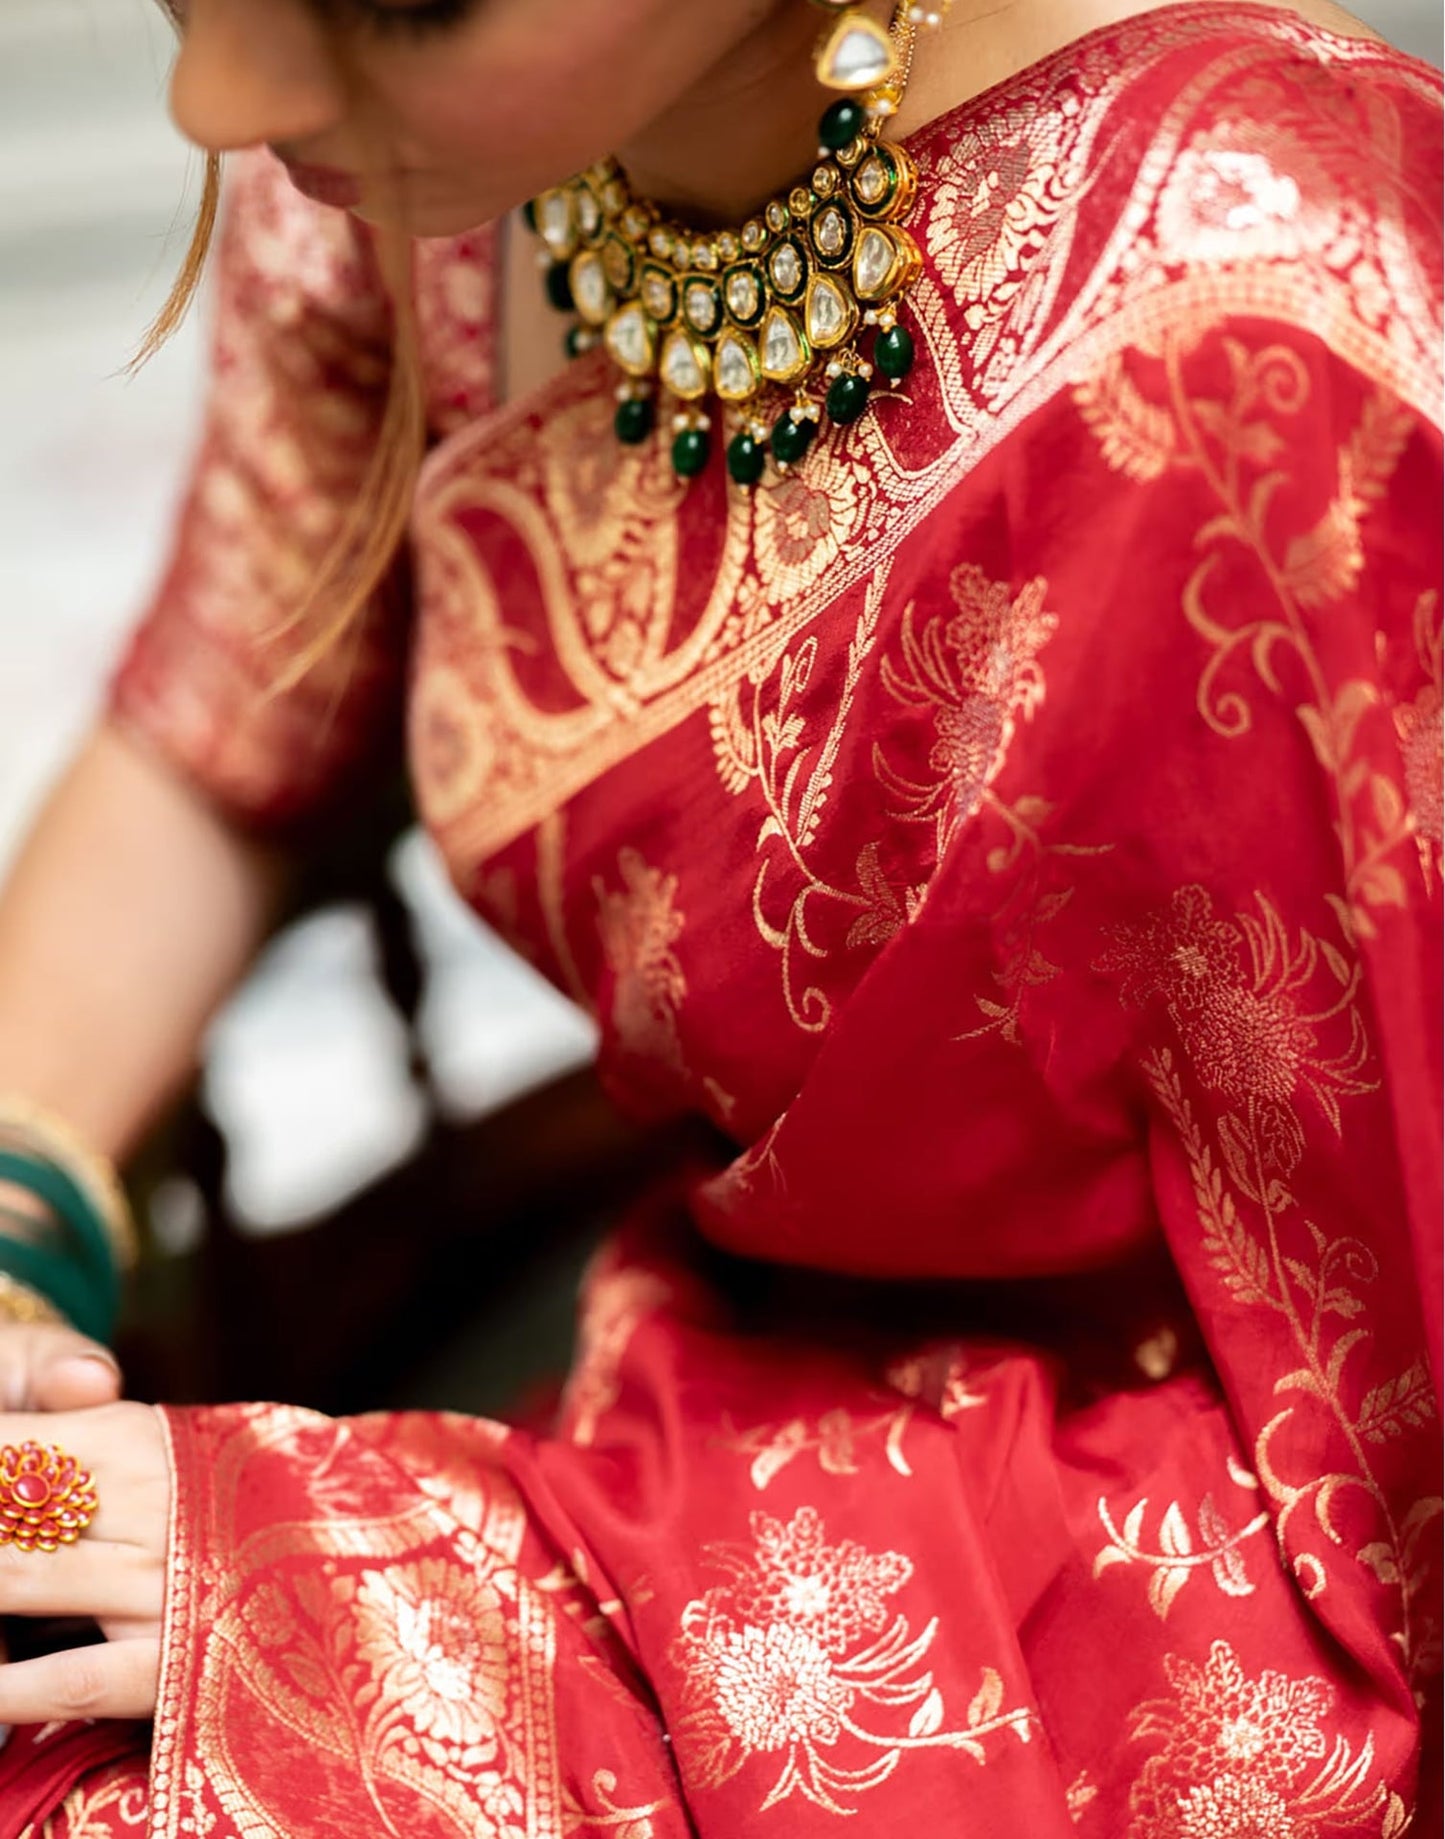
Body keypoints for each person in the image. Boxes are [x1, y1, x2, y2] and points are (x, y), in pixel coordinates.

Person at [0, 0, 1438, 1831]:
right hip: (685, 1332)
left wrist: (431, 1591)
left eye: (400, 3)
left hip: (1146, 1560)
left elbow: (1392, 1528)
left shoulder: (1267, 313)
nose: (220, 100)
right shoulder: (427, 168)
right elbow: (224, 733)